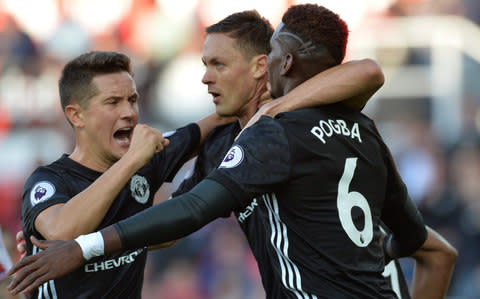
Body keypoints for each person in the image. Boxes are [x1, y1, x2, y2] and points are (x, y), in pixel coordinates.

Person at [10, 7, 456, 298]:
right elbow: (437, 253)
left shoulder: (275, 133)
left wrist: (84, 246)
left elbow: (191, 209)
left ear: (266, 65)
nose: (205, 78)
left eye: (217, 65)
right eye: (204, 64)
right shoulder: (356, 127)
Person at [15, 50, 236, 298]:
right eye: (112, 102)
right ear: (76, 115)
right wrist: (132, 160)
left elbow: (218, 122)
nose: (129, 112)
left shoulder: (145, 159)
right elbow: (62, 232)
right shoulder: (48, 181)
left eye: (132, 99)